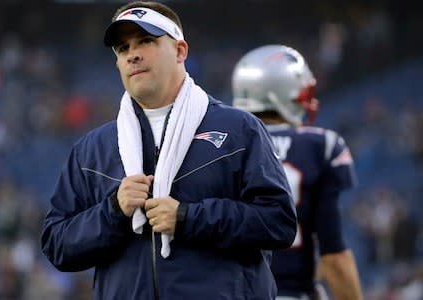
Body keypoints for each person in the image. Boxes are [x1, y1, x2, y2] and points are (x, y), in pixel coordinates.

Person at [40, 2, 297, 299]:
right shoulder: (92, 150)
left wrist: (189, 218)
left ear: (180, 51)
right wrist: (113, 210)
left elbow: (279, 222)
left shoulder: (239, 130)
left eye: (146, 41)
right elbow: (57, 245)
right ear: (118, 63)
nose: (133, 54)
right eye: (123, 48)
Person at [232, 44, 363, 300]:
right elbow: (335, 258)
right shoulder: (319, 146)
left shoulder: (218, 144)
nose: (307, 101)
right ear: (281, 92)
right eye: (303, 93)